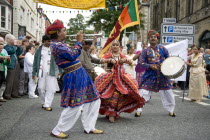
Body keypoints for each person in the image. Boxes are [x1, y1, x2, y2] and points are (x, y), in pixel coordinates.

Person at [47, 20, 103, 139]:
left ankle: (89, 127)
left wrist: (78, 43)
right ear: (57, 32)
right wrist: (78, 41)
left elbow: (72, 53)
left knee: (94, 99)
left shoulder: (60, 44)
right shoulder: (56, 45)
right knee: (75, 105)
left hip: (80, 73)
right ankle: (57, 130)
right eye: (63, 30)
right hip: (73, 75)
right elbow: (73, 54)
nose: (65, 32)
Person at [95, 40, 145, 122]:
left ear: (119, 47)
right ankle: (110, 113)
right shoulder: (108, 55)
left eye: (116, 45)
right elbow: (101, 60)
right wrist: (109, 60)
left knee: (118, 94)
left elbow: (132, 62)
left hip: (120, 78)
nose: (115, 46)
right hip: (110, 78)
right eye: (113, 45)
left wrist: (127, 61)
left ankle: (113, 113)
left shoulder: (122, 55)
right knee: (106, 95)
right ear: (111, 47)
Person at [137, 30, 176, 117]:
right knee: (143, 92)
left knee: (168, 92)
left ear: (157, 39)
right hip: (150, 74)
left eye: (155, 37)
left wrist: (165, 65)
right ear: (149, 39)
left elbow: (168, 60)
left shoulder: (163, 49)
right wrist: (150, 66)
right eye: (151, 37)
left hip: (163, 75)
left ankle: (171, 110)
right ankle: (138, 109)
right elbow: (141, 62)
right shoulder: (145, 51)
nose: (153, 38)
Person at [32, 35, 60, 111]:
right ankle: (43, 102)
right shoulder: (39, 50)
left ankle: (47, 104)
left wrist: (60, 71)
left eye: (50, 41)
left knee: (50, 88)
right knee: (41, 88)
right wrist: (33, 73)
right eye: (48, 41)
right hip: (41, 72)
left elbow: (59, 60)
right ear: (44, 41)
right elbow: (35, 62)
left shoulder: (54, 49)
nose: (50, 42)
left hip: (51, 72)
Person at [3, 34, 21, 99]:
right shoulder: (6, 47)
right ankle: (7, 94)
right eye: (13, 40)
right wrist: (15, 46)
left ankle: (14, 93)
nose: (14, 41)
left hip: (15, 63)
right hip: (10, 64)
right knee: (10, 80)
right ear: (8, 40)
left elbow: (19, 53)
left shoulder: (14, 46)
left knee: (16, 80)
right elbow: (12, 51)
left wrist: (19, 47)